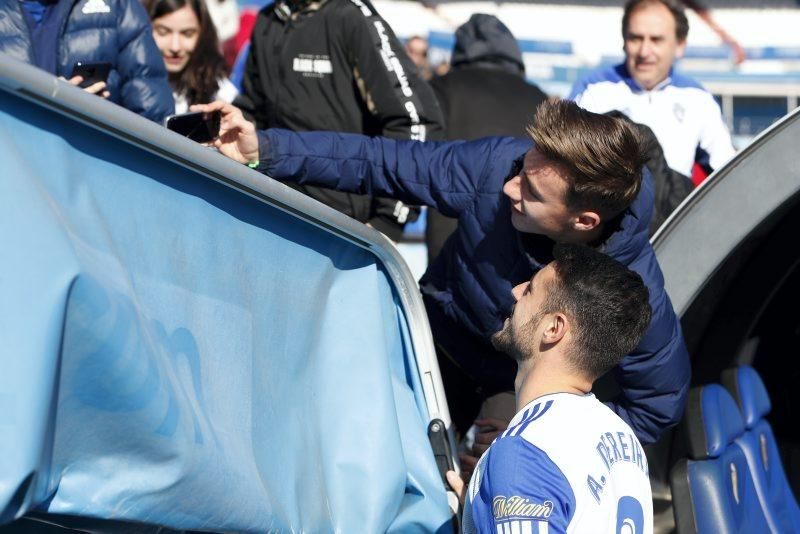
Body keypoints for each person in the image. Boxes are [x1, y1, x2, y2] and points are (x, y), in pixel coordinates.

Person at [194, 98, 691, 448]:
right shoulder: (498, 168)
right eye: (521, 170)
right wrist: (265, 150)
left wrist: (552, 435)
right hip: (441, 340)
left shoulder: (628, 288)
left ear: (584, 223)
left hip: (521, 385)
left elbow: (658, 403)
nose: (510, 189)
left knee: (488, 486)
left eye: (532, 193)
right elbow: (380, 162)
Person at [446, 244, 654, 533]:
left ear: (554, 328)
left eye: (530, 289)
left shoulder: (527, 451)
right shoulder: (622, 436)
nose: (515, 292)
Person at [234, 0, 444, 242]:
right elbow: (253, 109)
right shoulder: (268, 20)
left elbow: (417, 122)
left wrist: (386, 223)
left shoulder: (350, 16)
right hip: (273, 217)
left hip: (343, 228)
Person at [427, 13, 548, 264]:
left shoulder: (441, 89)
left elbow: (421, 157)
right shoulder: (540, 99)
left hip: (452, 237)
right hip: (524, 239)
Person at [569, 0, 735, 178]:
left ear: (680, 46)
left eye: (656, 40)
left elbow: (728, 173)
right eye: (635, 38)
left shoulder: (698, 99)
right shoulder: (591, 90)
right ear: (624, 41)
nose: (644, 51)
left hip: (674, 205)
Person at [0, 0, 173, 123]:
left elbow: (152, 109)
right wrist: (50, 97)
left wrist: (87, 108)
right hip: (12, 158)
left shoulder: (117, 5)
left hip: (94, 158)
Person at [143, 0, 238, 115]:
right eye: (163, 32)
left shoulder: (219, 93)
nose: (175, 47)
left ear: (203, 35)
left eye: (187, 34)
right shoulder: (122, 81)